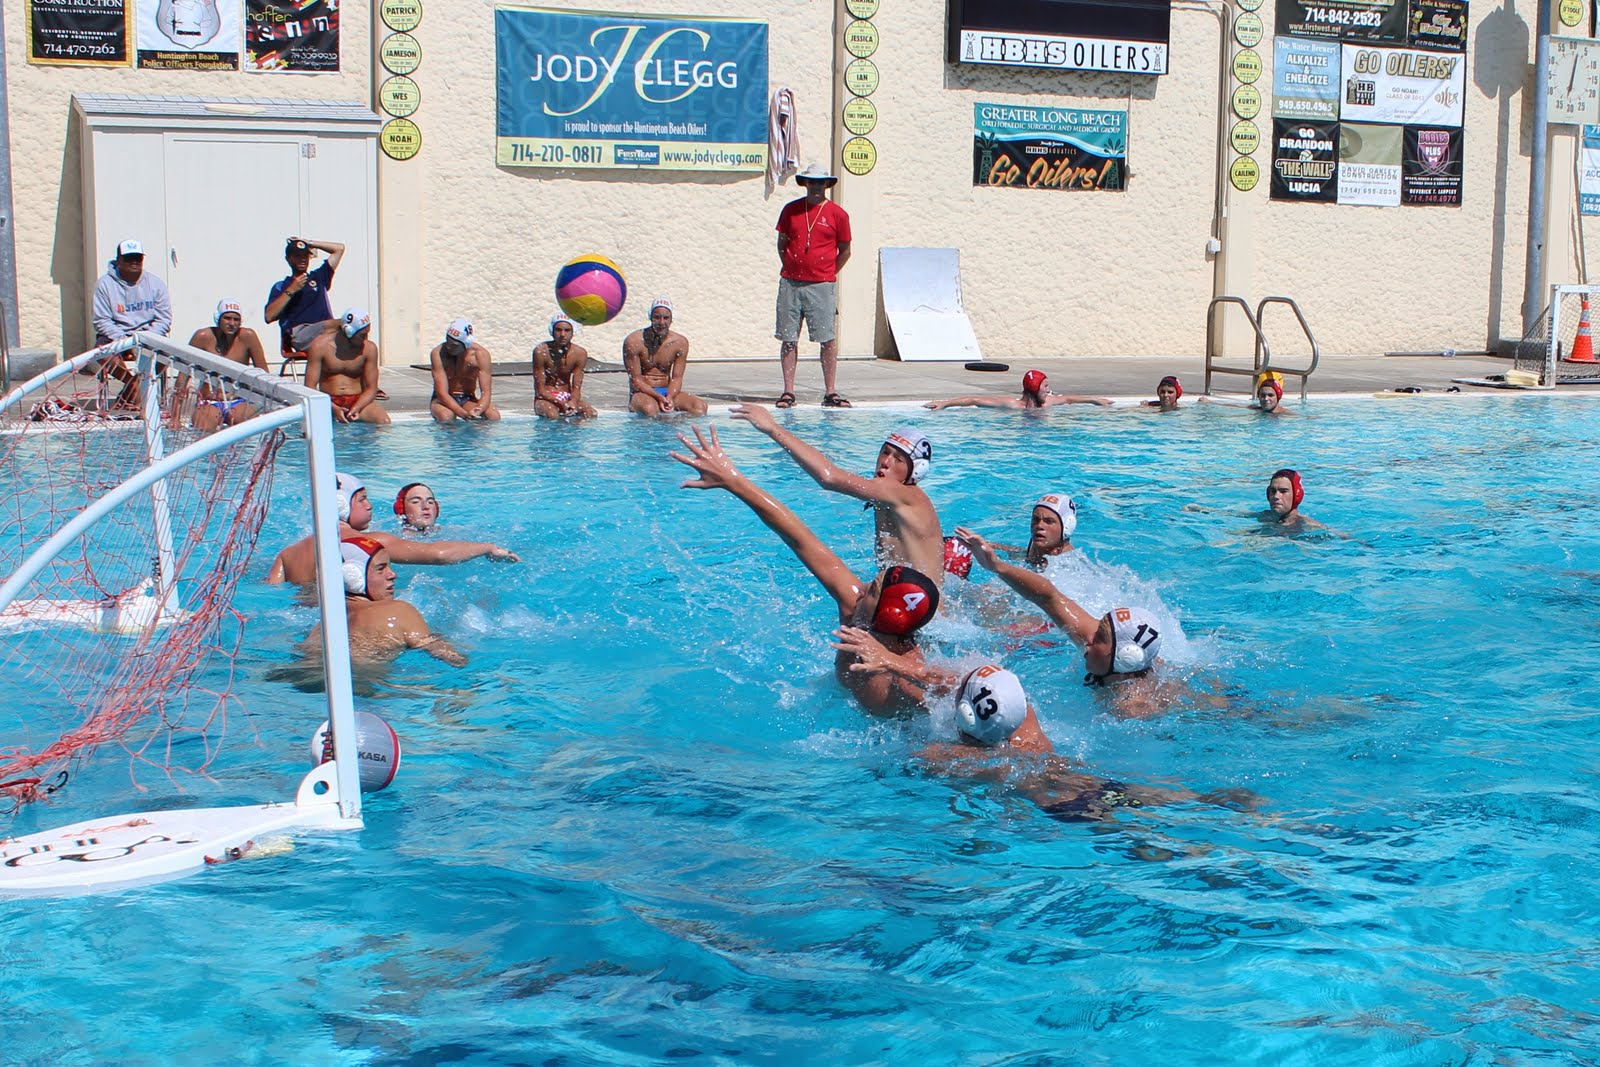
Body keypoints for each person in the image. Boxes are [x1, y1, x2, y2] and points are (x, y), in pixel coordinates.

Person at [671, 425, 941, 715]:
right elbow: (798, 537)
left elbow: (958, 690)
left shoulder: (905, 681)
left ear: (884, 614)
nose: (862, 587)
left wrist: (898, 665)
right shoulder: (854, 603)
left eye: (873, 589)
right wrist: (733, 481)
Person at [954, 526, 1178, 719]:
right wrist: (996, 566)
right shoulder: (1109, 650)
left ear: (1125, 658)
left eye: (1099, 638)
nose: (1088, 637)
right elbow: (1048, 596)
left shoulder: (1131, 710)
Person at [730, 403, 945, 586]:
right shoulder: (889, 497)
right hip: (906, 605)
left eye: (898, 460)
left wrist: (773, 428)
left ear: (916, 471)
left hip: (922, 614)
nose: (886, 462)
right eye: (885, 452)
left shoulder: (903, 493)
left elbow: (829, 477)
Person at [267, 473, 519, 584]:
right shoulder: (369, 542)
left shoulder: (288, 553)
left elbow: (271, 591)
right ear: (340, 504)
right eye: (362, 499)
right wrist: (487, 548)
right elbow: (438, 555)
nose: (369, 505)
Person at [774, 162, 852, 408]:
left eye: (820, 182)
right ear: (805, 183)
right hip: (791, 283)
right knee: (789, 338)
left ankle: (830, 391)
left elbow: (845, 251)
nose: (816, 187)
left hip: (821, 285)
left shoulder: (838, 214)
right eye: (812, 182)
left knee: (827, 339)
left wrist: (826, 273)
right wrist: (793, 268)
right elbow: (782, 244)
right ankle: (788, 391)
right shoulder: (791, 210)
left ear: (827, 185)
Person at [334, 536, 466, 666]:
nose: (392, 574)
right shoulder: (396, 611)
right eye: (380, 569)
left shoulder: (328, 621)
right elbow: (454, 660)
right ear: (352, 576)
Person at [89, 239, 173, 395]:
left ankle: (134, 392)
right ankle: (133, 385)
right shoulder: (104, 285)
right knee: (102, 354)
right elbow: (101, 321)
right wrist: (126, 343)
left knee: (166, 353)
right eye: (128, 258)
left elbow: (164, 320)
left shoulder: (156, 284)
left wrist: (144, 340)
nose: (134, 262)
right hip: (115, 337)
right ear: (119, 260)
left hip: (148, 337)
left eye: (138, 258)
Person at [173, 299, 270, 432]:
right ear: (218, 318)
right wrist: (175, 418)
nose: (232, 323)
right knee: (203, 429)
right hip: (210, 401)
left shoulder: (248, 337)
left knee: (243, 426)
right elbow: (183, 376)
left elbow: (263, 374)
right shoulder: (202, 337)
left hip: (239, 400)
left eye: (236, 319)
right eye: (227, 318)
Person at [622, 298, 708, 417]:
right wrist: (658, 397)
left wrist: (669, 397)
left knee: (699, 407)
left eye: (666, 318)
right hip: (642, 393)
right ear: (650, 317)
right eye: (657, 317)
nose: (661, 322)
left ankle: (676, 427)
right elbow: (636, 380)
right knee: (650, 409)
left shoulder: (680, 343)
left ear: (671, 319)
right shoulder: (634, 341)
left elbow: (677, 378)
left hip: (667, 391)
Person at [304, 307, 389, 425]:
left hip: (358, 401)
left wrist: (356, 408)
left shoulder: (369, 349)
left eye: (367, 334)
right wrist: (333, 408)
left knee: (384, 421)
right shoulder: (320, 346)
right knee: (314, 425)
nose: (366, 338)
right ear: (348, 332)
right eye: (362, 335)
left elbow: (371, 389)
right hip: (328, 401)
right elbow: (309, 387)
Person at [264, 237, 345, 357]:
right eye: (297, 256)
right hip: (301, 333)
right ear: (288, 259)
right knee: (343, 324)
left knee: (356, 328)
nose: (302, 259)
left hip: (327, 330)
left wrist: (310, 243)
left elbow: (339, 249)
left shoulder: (318, 277)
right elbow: (269, 316)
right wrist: (291, 290)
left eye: (305, 256)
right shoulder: (282, 286)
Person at [974, 493, 1079, 571]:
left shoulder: (1065, 565)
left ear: (1067, 527)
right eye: (1036, 519)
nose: (1039, 525)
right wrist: (989, 546)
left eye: (1049, 521)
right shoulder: (1041, 543)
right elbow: (1023, 553)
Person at [924, 369, 1110, 410]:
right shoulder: (1012, 405)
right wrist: (945, 403)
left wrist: (1095, 400)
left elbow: (1069, 398)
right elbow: (974, 399)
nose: (1049, 390)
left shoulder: (1048, 403)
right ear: (1035, 388)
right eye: (1045, 386)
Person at [428, 319, 500, 423]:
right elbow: (441, 393)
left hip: (467, 398)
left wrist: (479, 409)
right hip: (442, 401)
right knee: (446, 416)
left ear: (466, 344)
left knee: (493, 415)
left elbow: (486, 392)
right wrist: (462, 414)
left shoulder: (480, 355)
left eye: (455, 345)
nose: (448, 346)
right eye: (448, 341)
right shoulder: (438, 354)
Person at [532, 313, 596, 419]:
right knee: (553, 416)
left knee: (590, 413)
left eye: (567, 330)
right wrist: (561, 403)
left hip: (567, 396)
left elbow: (576, 388)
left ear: (573, 332)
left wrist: (573, 401)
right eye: (558, 330)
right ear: (552, 331)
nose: (562, 334)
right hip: (545, 399)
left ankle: (575, 430)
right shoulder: (541, 351)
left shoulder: (580, 353)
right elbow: (540, 391)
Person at [1262, 468, 1326, 532]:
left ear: (1297, 495)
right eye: (1273, 491)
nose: (1276, 496)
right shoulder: (1263, 516)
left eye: (1283, 491)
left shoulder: (1311, 526)